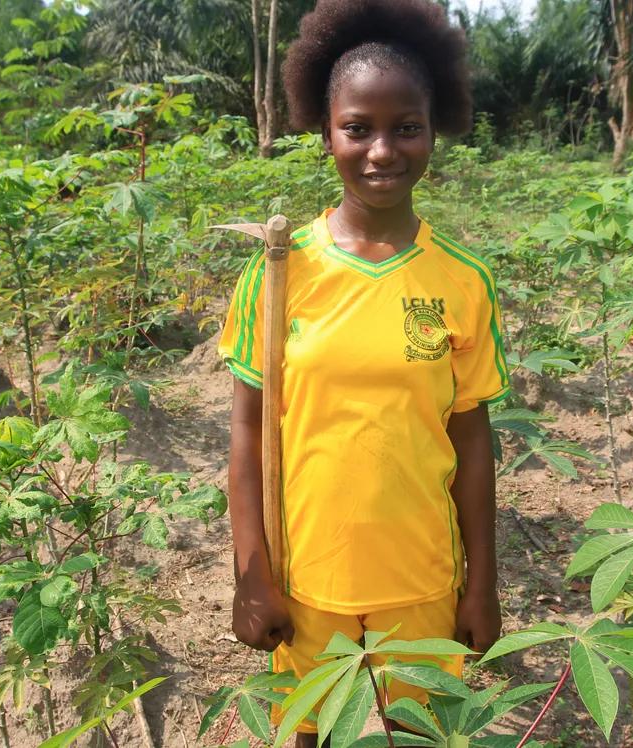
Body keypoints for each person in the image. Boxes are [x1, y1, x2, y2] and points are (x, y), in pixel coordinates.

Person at [218, 0, 508, 743]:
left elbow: (472, 442)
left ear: (433, 128)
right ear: (326, 132)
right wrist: (252, 572)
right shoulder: (280, 272)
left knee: (420, 735)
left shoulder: (463, 280)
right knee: (312, 735)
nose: (383, 150)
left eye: (405, 126)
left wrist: (482, 584)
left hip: (423, 584)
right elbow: (248, 434)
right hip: (309, 580)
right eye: (359, 128)